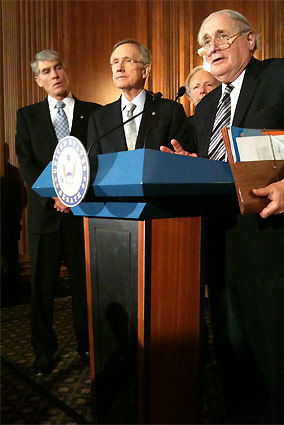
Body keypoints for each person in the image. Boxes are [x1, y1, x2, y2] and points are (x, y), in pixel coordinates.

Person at [161, 9, 284, 424]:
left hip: (276, 245)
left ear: (251, 40)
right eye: (205, 40)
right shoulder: (207, 105)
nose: (211, 46)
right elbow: (217, 170)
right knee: (234, 359)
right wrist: (188, 165)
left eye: (221, 36)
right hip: (221, 248)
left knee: (282, 362)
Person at [15, 49, 101, 375]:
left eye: (58, 67)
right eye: (46, 71)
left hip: (84, 214)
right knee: (42, 287)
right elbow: (27, 163)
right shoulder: (28, 116)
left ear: (66, 71)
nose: (54, 75)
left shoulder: (94, 113)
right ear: (38, 80)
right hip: (46, 215)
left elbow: (96, 160)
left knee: (85, 286)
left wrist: (75, 196)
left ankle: (88, 345)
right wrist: (55, 196)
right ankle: (43, 349)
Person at [87, 39, 190, 154]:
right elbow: (95, 166)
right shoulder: (99, 118)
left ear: (145, 70)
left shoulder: (170, 112)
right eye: (115, 62)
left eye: (127, 60)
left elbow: (181, 157)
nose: (119, 68)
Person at [185, 66, 220, 142]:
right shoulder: (184, 127)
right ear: (189, 98)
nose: (202, 90)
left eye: (209, 85)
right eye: (196, 87)